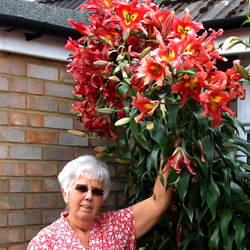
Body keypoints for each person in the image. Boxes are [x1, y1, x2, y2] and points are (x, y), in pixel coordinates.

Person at [27, 155, 172, 250]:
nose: (89, 196)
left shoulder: (115, 227)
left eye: (96, 191)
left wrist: (167, 152)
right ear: (65, 193)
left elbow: (158, 202)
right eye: (82, 188)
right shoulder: (44, 242)